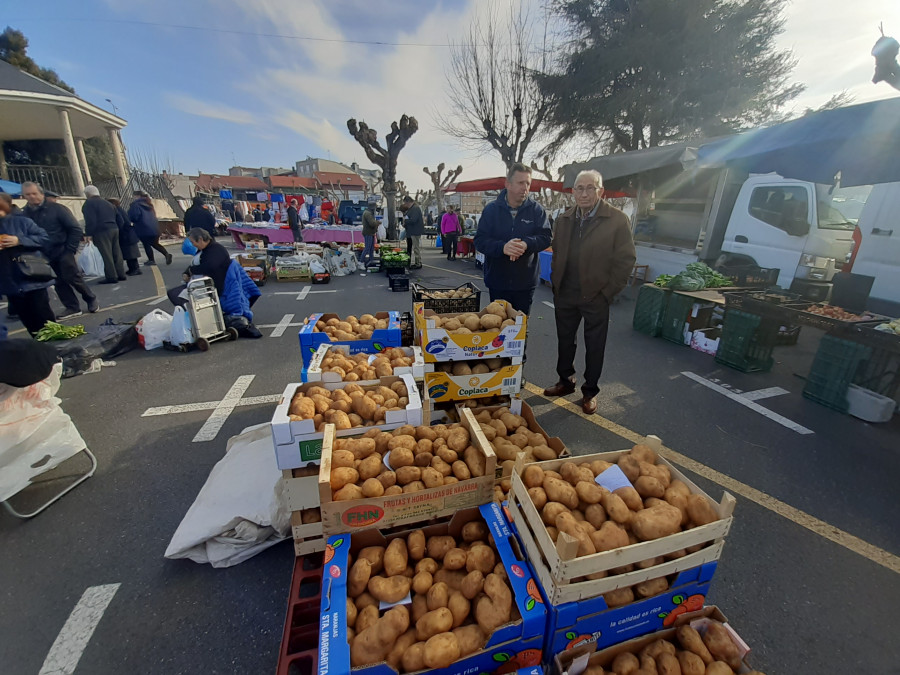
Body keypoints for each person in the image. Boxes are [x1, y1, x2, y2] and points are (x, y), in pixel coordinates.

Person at [543, 170, 636, 415]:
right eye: (579, 188)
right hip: (566, 293)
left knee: (595, 346)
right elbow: (557, 254)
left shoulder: (617, 220)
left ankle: (590, 391)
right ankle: (565, 381)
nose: (584, 193)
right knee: (565, 341)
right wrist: (556, 281)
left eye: (589, 188)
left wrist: (607, 293)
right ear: (573, 192)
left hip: (596, 295)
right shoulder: (564, 219)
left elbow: (626, 260)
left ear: (600, 191)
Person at [473, 163, 551, 314]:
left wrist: (526, 244)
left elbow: (546, 237)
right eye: (521, 183)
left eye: (528, 183)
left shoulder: (537, 210)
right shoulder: (491, 210)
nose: (525, 188)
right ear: (508, 184)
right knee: (498, 327)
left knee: (520, 328)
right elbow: (480, 240)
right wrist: (502, 247)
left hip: (525, 282)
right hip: (497, 280)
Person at [21, 181, 98, 318]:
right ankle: (72, 307)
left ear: (41, 194)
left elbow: (74, 229)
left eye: (34, 193)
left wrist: (70, 249)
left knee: (73, 277)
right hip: (43, 254)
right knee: (57, 282)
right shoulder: (25, 215)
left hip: (63, 250)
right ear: (24, 196)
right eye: (28, 194)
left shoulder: (56, 209)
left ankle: (90, 298)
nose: (32, 197)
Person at [0, 192, 56, 336]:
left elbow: (44, 239)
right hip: (10, 283)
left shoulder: (22, 222)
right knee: (31, 326)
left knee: (46, 323)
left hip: (32, 278)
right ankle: (42, 353)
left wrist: (19, 241)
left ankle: (56, 354)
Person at [167, 228, 232, 307]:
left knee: (176, 295)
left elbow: (209, 267)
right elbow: (194, 265)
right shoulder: (203, 250)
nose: (193, 245)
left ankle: (192, 314)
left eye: (192, 242)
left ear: (200, 239)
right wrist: (186, 273)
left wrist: (192, 270)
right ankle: (189, 314)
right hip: (199, 283)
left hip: (210, 286)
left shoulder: (216, 250)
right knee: (172, 293)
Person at [82, 185, 126, 284]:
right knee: (116, 253)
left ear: (87, 194)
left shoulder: (89, 204)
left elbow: (90, 220)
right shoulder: (108, 203)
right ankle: (121, 274)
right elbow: (120, 219)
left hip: (101, 231)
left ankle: (111, 276)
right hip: (114, 228)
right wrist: (117, 228)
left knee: (106, 254)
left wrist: (89, 234)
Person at [129, 191, 172, 266]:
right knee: (154, 243)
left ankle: (151, 260)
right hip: (154, 227)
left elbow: (134, 216)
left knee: (146, 244)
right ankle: (166, 254)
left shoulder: (136, 205)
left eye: (134, 196)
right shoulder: (149, 204)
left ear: (137, 196)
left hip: (143, 228)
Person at [109, 198, 141, 276]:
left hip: (126, 234)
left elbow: (122, 222)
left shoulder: (117, 210)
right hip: (128, 234)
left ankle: (135, 269)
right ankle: (132, 268)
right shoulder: (119, 209)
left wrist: (121, 231)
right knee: (129, 253)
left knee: (130, 254)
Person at [400, 196, 424, 269]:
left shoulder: (415, 209)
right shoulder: (412, 208)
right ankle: (417, 262)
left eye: (405, 203)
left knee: (416, 248)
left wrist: (406, 221)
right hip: (412, 231)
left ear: (408, 202)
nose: (405, 205)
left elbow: (413, 220)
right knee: (415, 247)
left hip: (415, 231)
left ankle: (418, 263)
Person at [359, 200, 378, 265]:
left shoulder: (367, 212)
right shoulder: (368, 213)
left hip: (370, 232)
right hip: (368, 233)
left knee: (371, 248)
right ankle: (361, 262)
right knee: (367, 248)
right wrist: (378, 223)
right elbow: (372, 223)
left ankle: (371, 261)